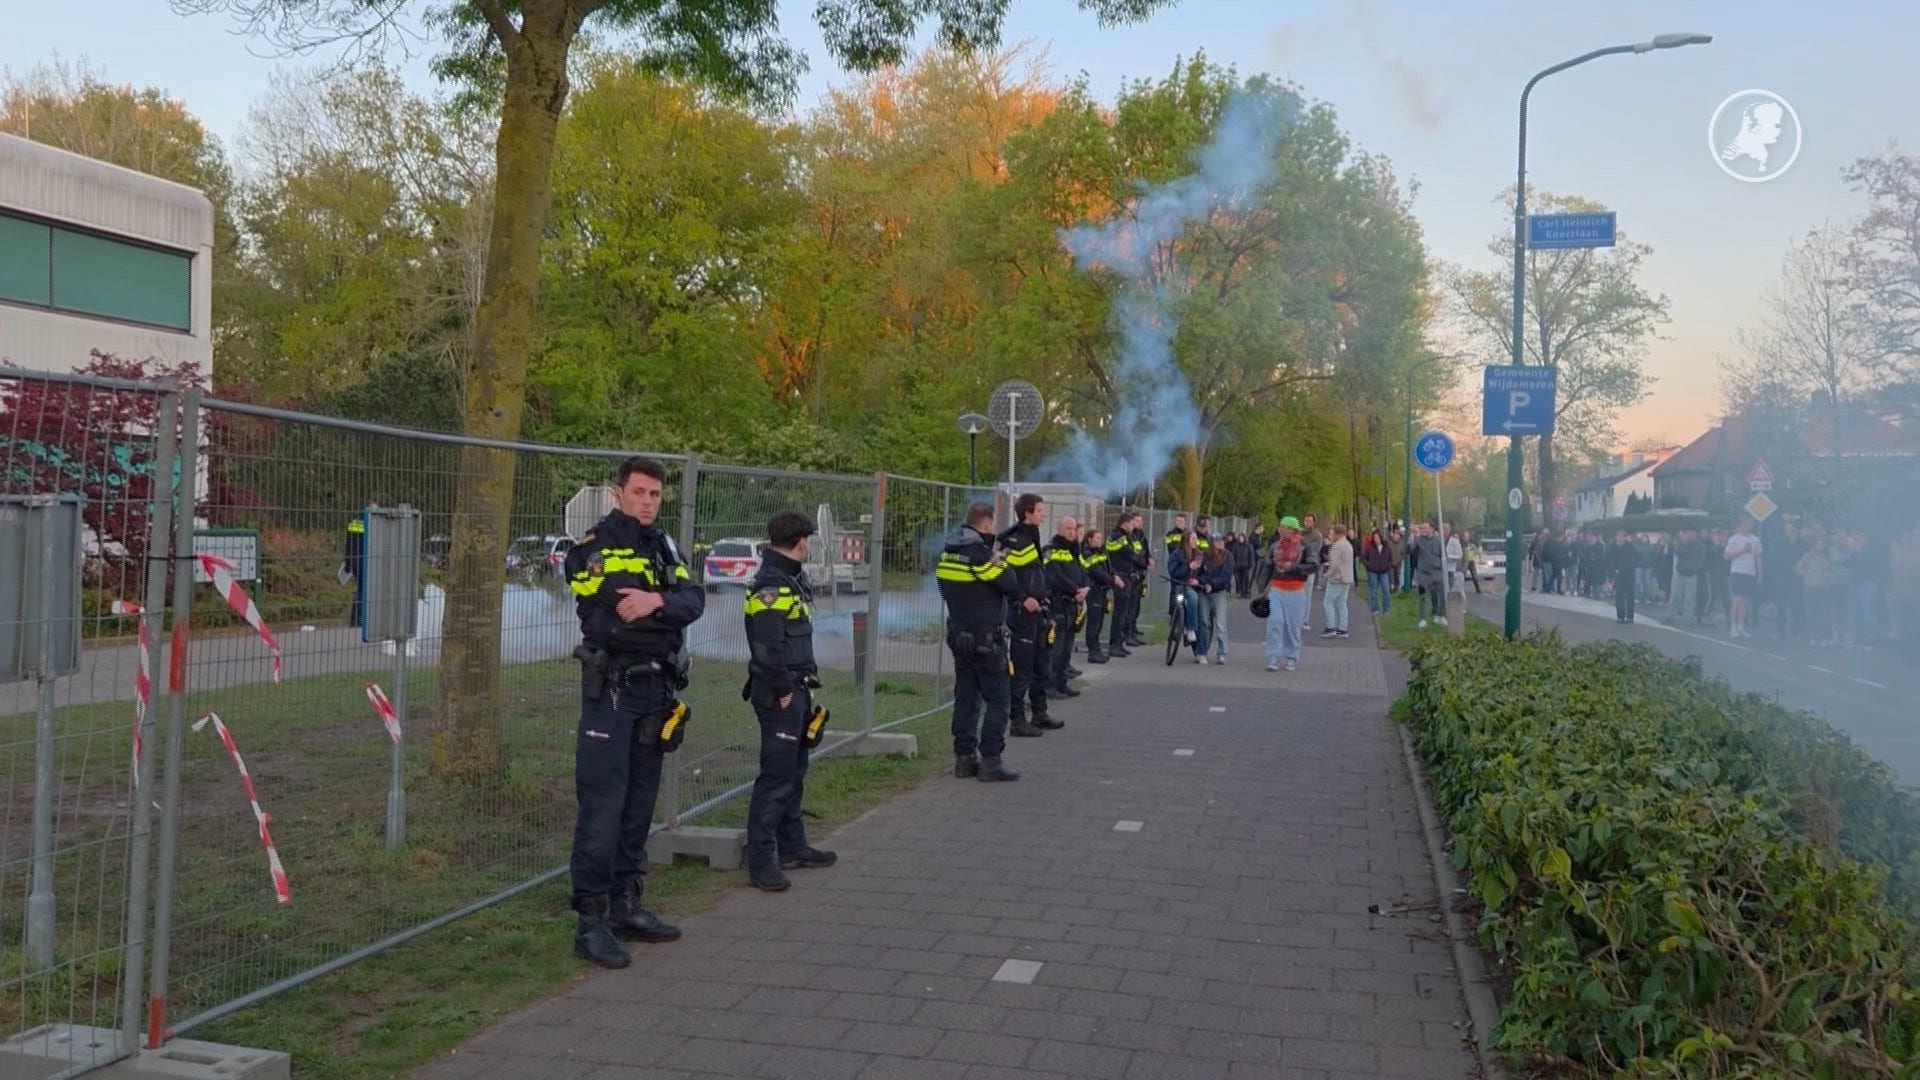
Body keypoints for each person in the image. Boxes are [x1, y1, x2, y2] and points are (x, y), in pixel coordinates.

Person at [563, 457, 702, 968]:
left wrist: (655, 602)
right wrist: (658, 606)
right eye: (639, 492)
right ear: (618, 493)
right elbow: (614, 606)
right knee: (603, 805)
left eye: (655, 494)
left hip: (655, 689)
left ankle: (627, 905)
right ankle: (591, 921)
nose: (647, 501)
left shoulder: (663, 545)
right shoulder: (594, 549)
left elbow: (696, 600)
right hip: (612, 693)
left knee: (639, 803)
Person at [741, 511, 837, 893]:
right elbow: (767, 649)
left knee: (794, 773)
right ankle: (761, 861)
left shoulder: (788, 581)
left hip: (796, 689)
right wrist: (783, 690)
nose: (809, 546)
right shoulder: (771, 587)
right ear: (799, 541)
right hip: (779, 694)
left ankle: (793, 846)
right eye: (808, 540)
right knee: (776, 778)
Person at [935, 501, 1023, 782]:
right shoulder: (981, 556)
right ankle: (991, 761)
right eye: (992, 525)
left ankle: (964, 759)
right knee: (999, 698)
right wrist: (1001, 559)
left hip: (958, 634)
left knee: (966, 697)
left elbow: (944, 589)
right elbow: (1010, 585)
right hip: (986, 638)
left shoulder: (948, 554)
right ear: (985, 524)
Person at [998, 494, 1056, 735]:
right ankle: (1018, 720)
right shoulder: (1011, 540)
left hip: (1039, 610)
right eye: (1040, 510)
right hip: (1021, 613)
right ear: (1027, 513)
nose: (1043, 514)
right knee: (1022, 669)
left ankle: (1039, 712)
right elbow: (1003, 575)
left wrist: (1044, 595)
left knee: (1041, 663)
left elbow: (1035, 572)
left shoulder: (1033, 536)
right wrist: (1022, 598)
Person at [1043, 517, 1089, 697]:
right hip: (1058, 603)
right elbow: (1054, 576)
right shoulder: (1051, 550)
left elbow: (1084, 571)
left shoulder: (1075, 551)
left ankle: (1062, 683)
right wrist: (1075, 589)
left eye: (1073, 528)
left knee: (1066, 649)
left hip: (1073, 605)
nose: (1072, 532)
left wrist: (1085, 587)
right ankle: (1050, 686)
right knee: (1056, 649)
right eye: (1068, 528)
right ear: (1059, 529)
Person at [1264, 517, 1313, 671]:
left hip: (1296, 590)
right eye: (1280, 527)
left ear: (1291, 529)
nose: (1280, 529)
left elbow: (1313, 565)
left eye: (1283, 527)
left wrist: (1293, 567)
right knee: (1275, 621)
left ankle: (1292, 656)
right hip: (1277, 589)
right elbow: (1267, 567)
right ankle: (1272, 657)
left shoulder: (1305, 546)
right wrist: (1261, 589)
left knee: (1293, 626)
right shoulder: (1274, 546)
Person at [1103, 517, 1138, 659]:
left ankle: (1119, 642)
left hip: (1126, 575)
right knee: (1119, 612)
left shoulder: (1127, 536)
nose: (1132, 526)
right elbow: (1129, 554)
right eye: (1130, 524)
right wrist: (1141, 562)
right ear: (1124, 524)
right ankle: (1114, 644)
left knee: (1123, 612)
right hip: (1121, 576)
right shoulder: (1118, 537)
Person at [1724, 518, 1763, 639]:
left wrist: (1760, 574)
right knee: (1737, 599)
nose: (1749, 525)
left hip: (1750, 573)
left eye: (1750, 523)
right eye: (1746, 523)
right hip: (1737, 572)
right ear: (1741, 525)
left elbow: (1758, 557)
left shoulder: (1755, 540)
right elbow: (1727, 556)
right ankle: (1733, 627)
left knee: (1745, 601)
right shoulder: (1734, 539)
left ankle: (1741, 627)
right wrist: (1742, 550)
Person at [1081, 527, 1114, 664]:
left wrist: (1111, 578)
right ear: (1090, 539)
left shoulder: (1100, 552)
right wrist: (1111, 579)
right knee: (1094, 622)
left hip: (1102, 590)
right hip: (1094, 590)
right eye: (1098, 538)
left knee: (1099, 620)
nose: (1101, 541)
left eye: (1101, 538)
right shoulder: (1087, 553)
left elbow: (1107, 567)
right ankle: (1093, 651)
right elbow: (1095, 571)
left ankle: (1097, 649)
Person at [1169, 539, 1205, 658]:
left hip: (1191, 586)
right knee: (1178, 602)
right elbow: (1173, 572)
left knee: (1193, 598)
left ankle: (1190, 629)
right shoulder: (1176, 554)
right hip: (1179, 584)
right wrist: (1188, 567)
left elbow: (1203, 572)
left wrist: (1197, 580)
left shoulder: (1199, 554)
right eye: (1193, 539)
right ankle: (1178, 626)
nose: (1195, 541)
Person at [1200, 542, 1233, 662]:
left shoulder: (1228, 556)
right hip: (1204, 592)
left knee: (1220, 624)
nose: (1221, 544)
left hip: (1219, 591)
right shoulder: (1204, 555)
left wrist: (1212, 584)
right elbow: (1200, 573)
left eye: (1222, 541)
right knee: (1204, 622)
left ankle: (1221, 653)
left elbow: (1226, 575)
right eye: (1217, 542)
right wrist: (1204, 583)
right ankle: (1202, 652)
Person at [1320, 524, 1354, 638]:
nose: (1332, 535)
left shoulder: (1336, 546)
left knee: (1328, 602)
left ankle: (1330, 627)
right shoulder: (1348, 545)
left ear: (1337, 533)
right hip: (1347, 578)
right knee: (1342, 603)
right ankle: (1342, 629)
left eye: (1333, 532)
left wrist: (1327, 574)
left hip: (1336, 579)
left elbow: (1334, 564)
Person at [1411, 521, 1447, 628]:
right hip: (1423, 572)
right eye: (1422, 528)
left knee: (1443, 593)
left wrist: (1442, 566)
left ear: (1432, 529)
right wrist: (1411, 540)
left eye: (1425, 528)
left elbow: (1443, 555)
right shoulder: (1418, 540)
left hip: (1436, 571)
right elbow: (1410, 551)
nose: (1423, 530)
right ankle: (1422, 619)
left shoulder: (1438, 541)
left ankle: (1440, 616)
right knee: (1422, 596)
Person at [1609, 528, 1640, 624]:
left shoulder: (1630, 546)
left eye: (1623, 536)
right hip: (1618, 574)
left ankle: (1630, 616)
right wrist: (1612, 571)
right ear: (1616, 537)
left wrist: (1632, 566)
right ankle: (1620, 616)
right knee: (1619, 596)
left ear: (1625, 537)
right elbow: (1608, 559)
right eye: (1619, 536)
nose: (1621, 538)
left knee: (1630, 596)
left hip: (1629, 574)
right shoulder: (1612, 547)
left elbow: (1639, 558)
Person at [1362, 527, 1395, 616]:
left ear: (1380, 537)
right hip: (1373, 571)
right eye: (1374, 537)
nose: (1376, 539)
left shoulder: (1386, 547)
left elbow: (1390, 559)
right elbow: (1364, 558)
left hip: (1384, 571)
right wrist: (1368, 565)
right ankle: (1375, 608)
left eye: (1377, 537)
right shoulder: (1370, 548)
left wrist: (1388, 566)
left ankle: (1386, 609)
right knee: (1373, 591)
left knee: (1386, 590)